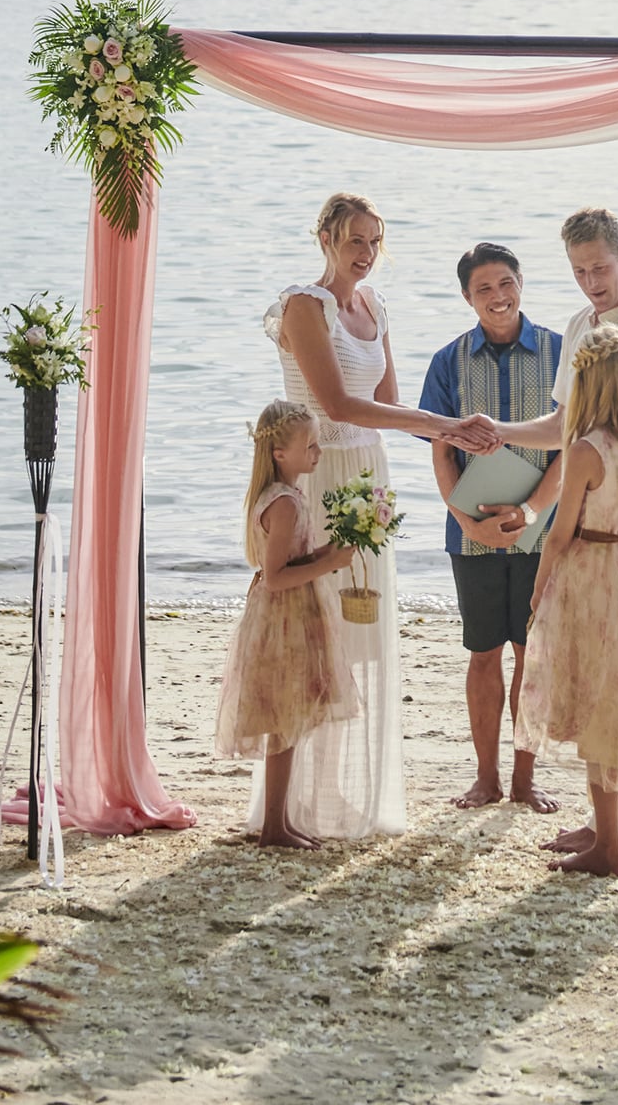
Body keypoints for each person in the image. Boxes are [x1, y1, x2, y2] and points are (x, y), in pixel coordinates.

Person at [262, 189, 500, 839]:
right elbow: (338, 404)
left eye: (373, 241)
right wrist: (444, 424)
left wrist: (464, 424)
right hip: (317, 471)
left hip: (368, 476)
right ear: (326, 242)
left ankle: (334, 792)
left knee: (357, 634)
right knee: (312, 634)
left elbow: (388, 402)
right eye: (353, 241)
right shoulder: (303, 305)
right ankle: (288, 804)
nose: (365, 254)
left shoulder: (375, 307)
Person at [496, 204, 618, 850]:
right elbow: (563, 429)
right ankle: (603, 820)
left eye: (599, 268)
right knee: (593, 676)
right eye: (578, 271)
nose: (590, 282)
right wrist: (495, 433)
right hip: (592, 515)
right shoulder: (583, 326)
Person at [418, 241, 564, 811]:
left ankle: (526, 782)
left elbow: (569, 452)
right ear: (467, 297)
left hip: (543, 532)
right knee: (483, 652)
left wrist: (529, 513)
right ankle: (486, 778)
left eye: (505, 283)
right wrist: (465, 521)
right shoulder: (446, 361)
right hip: (471, 535)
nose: (497, 297)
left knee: (532, 653)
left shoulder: (559, 353)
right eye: (484, 289)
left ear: (521, 283)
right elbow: (439, 451)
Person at [216, 400, 360, 848]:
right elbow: (277, 577)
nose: (318, 453)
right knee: (283, 718)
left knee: (289, 717)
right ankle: (275, 827)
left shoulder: (286, 497)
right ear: (281, 454)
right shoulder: (285, 505)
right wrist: (329, 563)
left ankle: (280, 820)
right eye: (310, 445)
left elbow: (291, 562)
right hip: (284, 617)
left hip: (291, 611)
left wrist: (330, 553)